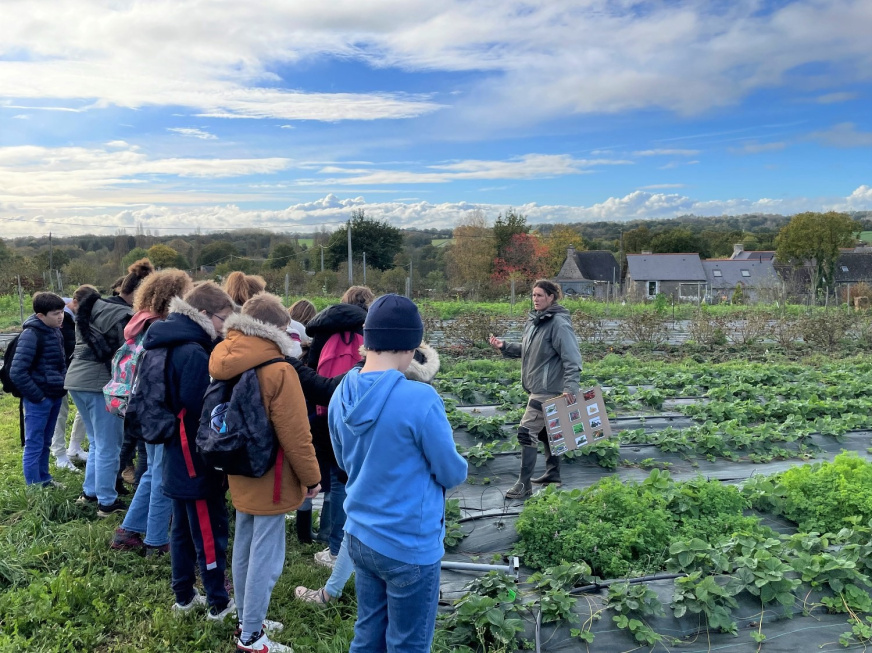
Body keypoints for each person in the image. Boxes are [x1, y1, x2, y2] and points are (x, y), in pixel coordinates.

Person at [329, 294, 467, 652]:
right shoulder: (420, 399)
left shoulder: (341, 392)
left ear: (369, 340)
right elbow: (451, 473)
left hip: (359, 534)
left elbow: (343, 461)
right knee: (408, 642)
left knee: (368, 632)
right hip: (408, 543)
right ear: (411, 346)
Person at [209, 293, 321, 653]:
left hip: (238, 466)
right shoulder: (279, 369)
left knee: (244, 545)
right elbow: (296, 433)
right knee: (266, 557)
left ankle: (248, 618)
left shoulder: (225, 357)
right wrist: (312, 477)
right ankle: (252, 637)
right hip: (273, 474)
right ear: (276, 329)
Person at [295, 341, 442, 605]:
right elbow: (450, 469)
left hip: (370, 503)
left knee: (357, 526)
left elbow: (340, 450)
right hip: (410, 520)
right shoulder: (421, 400)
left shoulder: (354, 388)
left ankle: (331, 593)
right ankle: (335, 592)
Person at [128, 282, 237, 618]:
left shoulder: (167, 339)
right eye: (222, 319)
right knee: (208, 529)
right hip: (194, 456)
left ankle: (185, 597)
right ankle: (219, 603)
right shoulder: (193, 352)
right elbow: (200, 407)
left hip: (176, 452)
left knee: (182, 530)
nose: (224, 327)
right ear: (203, 314)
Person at [110, 269, 193, 555]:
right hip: (159, 408)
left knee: (151, 473)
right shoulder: (162, 327)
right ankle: (156, 540)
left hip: (140, 406)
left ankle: (128, 531)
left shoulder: (139, 322)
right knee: (162, 476)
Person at [67, 259, 153, 517]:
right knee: (108, 445)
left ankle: (90, 492)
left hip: (76, 378)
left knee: (97, 442)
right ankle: (107, 502)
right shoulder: (123, 316)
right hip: (99, 383)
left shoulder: (98, 305)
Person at [488, 279, 582, 500]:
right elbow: (530, 350)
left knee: (526, 430)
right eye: (533, 295)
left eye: (540, 295)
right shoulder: (536, 322)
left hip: (548, 389)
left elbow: (572, 359)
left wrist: (570, 388)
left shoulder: (558, 324)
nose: (535, 299)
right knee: (545, 431)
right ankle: (553, 474)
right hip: (537, 386)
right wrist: (505, 346)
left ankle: (524, 485)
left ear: (551, 297)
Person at [302, 285, 373, 565]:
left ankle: (332, 542)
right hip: (361, 411)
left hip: (326, 411)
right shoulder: (368, 330)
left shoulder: (323, 330)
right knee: (355, 478)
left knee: (334, 477)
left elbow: (312, 369)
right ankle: (349, 543)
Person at [10, 292, 69, 487]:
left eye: (62, 312)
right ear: (40, 316)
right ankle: (34, 487)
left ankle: (44, 479)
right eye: (55, 313)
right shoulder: (31, 335)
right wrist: (39, 397)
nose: (60, 316)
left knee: (46, 441)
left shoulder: (55, 331)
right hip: (39, 399)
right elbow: (17, 371)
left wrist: (62, 383)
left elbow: (60, 363)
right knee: (34, 443)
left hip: (55, 394)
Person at [50, 297, 85, 472]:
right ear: (75, 302)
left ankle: (74, 448)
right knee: (60, 412)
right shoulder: (58, 318)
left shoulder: (72, 318)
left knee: (85, 407)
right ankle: (59, 454)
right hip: (58, 373)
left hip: (73, 371)